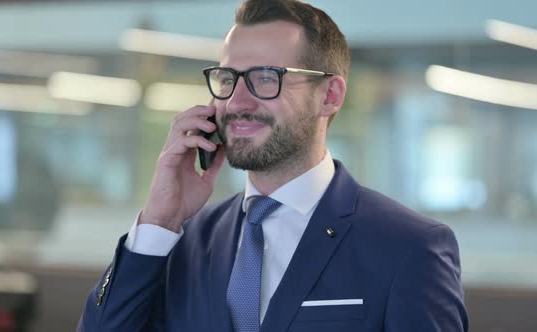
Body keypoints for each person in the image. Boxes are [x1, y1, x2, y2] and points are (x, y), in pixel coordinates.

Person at [78, 0, 469, 331]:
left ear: (329, 95)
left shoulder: (408, 248)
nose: (237, 101)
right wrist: (159, 221)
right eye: (228, 77)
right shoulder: (183, 242)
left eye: (266, 78)